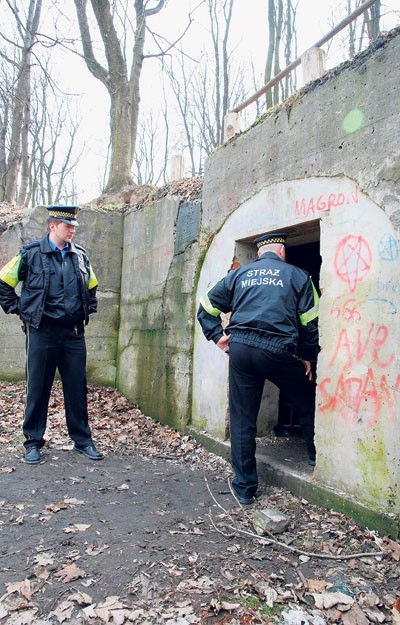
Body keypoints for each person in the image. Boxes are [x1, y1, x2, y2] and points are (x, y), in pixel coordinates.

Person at [197, 232, 319, 505]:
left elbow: (206, 307)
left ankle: (244, 488)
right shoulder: (300, 276)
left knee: (242, 418)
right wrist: (308, 356)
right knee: (306, 397)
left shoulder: (239, 275)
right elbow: (311, 322)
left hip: (240, 349)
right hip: (278, 350)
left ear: (261, 253)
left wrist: (217, 336)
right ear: (282, 252)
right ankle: (314, 456)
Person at [0, 205, 103, 464]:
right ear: (52, 226)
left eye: (73, 227)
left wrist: (86, 309)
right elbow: (3, 284)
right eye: (67, 226)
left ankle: (82, 441)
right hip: (42, 334)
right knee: (38, 388)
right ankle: (33, 443)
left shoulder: (80, 256)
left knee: (77, 389)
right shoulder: (30, 254)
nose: (71, 231)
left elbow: (92, 287)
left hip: (73, 335)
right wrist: (20, 310)